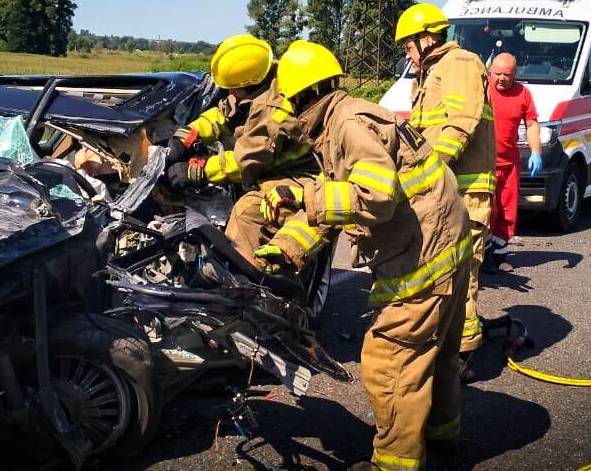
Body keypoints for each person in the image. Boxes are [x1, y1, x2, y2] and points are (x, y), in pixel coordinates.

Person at [256, 40, 471, 470]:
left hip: (424, 254)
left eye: (286, 104)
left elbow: (374, 197)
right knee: (436, 352)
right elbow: (337, 200)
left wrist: (300, 191)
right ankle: (441, 434)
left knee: (390, 361)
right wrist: (287, 246)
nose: (286, 116)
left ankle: (394, 462)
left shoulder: (348, 125)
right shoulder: (340, 118)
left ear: (301, 97)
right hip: (447, 239)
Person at [395, 2, 496, 366]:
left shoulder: (460, 63)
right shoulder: (428, 73)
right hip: (442, 189)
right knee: (437, 269)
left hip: (467, 191)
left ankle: (462, 356)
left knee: (461, 271)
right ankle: (442, 346)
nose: (408, 54)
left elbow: (460, 123)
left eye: (409, 46)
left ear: (426, 38)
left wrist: (429, 168)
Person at [165, 34, 319, 264]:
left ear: (249, 84)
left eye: (232, 89)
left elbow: (247, 161)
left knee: (246, 212)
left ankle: (246, 283)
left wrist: (197, 171)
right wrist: (188, 135)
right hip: (268, 163)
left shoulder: (275, 110)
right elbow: (222, 113)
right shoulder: (259, 80)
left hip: (298, 174)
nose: (229, 93)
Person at [486, 53, 542, 271]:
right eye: (497, 73)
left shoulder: (523, 93)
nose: (501, 78)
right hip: (484, 162)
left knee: (507, 211)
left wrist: (536, 151)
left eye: (506, 75)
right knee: (487, 210)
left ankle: (500, 255)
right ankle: (483, 253)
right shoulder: (482, 89)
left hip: (509, 163)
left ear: (515, 74)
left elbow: (532, 125)